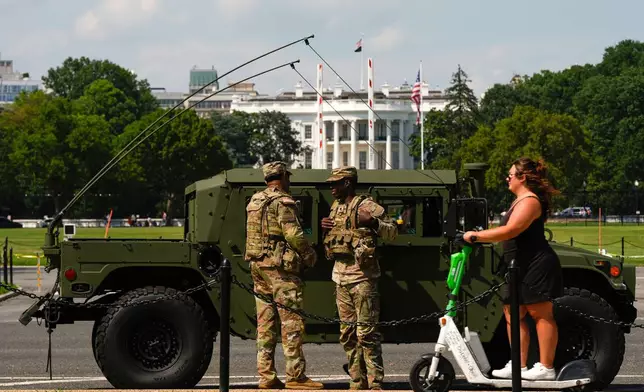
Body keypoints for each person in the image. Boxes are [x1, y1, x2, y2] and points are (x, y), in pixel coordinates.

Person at [462, 157, 563, 381]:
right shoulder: (520, 200)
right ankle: (519, 365)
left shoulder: (529, 201)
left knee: (540, 314)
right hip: (518, 265)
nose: (507, 179)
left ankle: (546, 367)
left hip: (536, 264)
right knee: (513, 313)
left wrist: (476, 236)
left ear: (522, 177)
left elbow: (510, 231)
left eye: (510, 175)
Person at [244, 161, 323, 390]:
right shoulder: (283, 202)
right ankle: (296, 377)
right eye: (288, 176)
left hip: (258, 266)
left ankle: (266, 376)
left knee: (265, 324)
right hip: (280, 269)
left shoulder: (254, 202)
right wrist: (309, 256)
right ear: (283, 177)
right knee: (292, 323)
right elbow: (294, 235)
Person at [321, 166, 398, 390]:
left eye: (335, 183)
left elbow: (393, 232)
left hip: (363, 279)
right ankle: (356, 381)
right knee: (347, 334)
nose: (332, 188)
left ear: (348, 183)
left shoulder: (367, 206)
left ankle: (375, 384)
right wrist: (325, 228)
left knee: (367, 333)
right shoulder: (336, 207)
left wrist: (373, 223)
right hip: (340, 278)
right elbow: (335, 238)